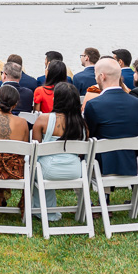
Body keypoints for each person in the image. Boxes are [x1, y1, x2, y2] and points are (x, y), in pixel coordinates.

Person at [31, 83, 87, 219]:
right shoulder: (82, 124)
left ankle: (41, 210)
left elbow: (35, 151)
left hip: (48, 171)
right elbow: (80, 153)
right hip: (75, 170)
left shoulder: (44, 119)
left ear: (56, 100)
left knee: (32, 162)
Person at [84, 59, 138, 176]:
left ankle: (104, 193)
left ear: (102, 76)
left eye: (96, 75)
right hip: (132, 163)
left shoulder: (94, 104)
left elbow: (90, 134)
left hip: (102, 165)